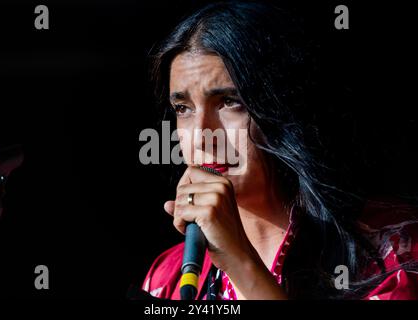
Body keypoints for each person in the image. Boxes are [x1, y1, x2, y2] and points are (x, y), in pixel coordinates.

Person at [141, 1, 418, 300]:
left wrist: (241, 263)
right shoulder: (171, 279)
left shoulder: (394, 250)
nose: (201, 137)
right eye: (182, 108)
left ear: (284, 108)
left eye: (230, 102)